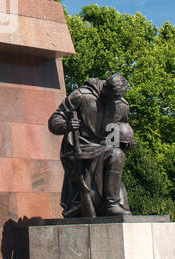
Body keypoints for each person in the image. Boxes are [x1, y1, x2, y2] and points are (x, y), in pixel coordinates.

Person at [47, 72, 135, 217]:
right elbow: (55, 120)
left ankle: (111, 203)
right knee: (112, 154)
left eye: (116, 98)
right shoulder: (81, 96)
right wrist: (67, 126)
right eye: (111, 96)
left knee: (117, 154)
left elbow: (119, 130)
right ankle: (100, 203)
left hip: (104, 147)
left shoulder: (122, 106)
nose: (113, 101)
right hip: (80, 147)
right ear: (105, 87)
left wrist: (127, 141)